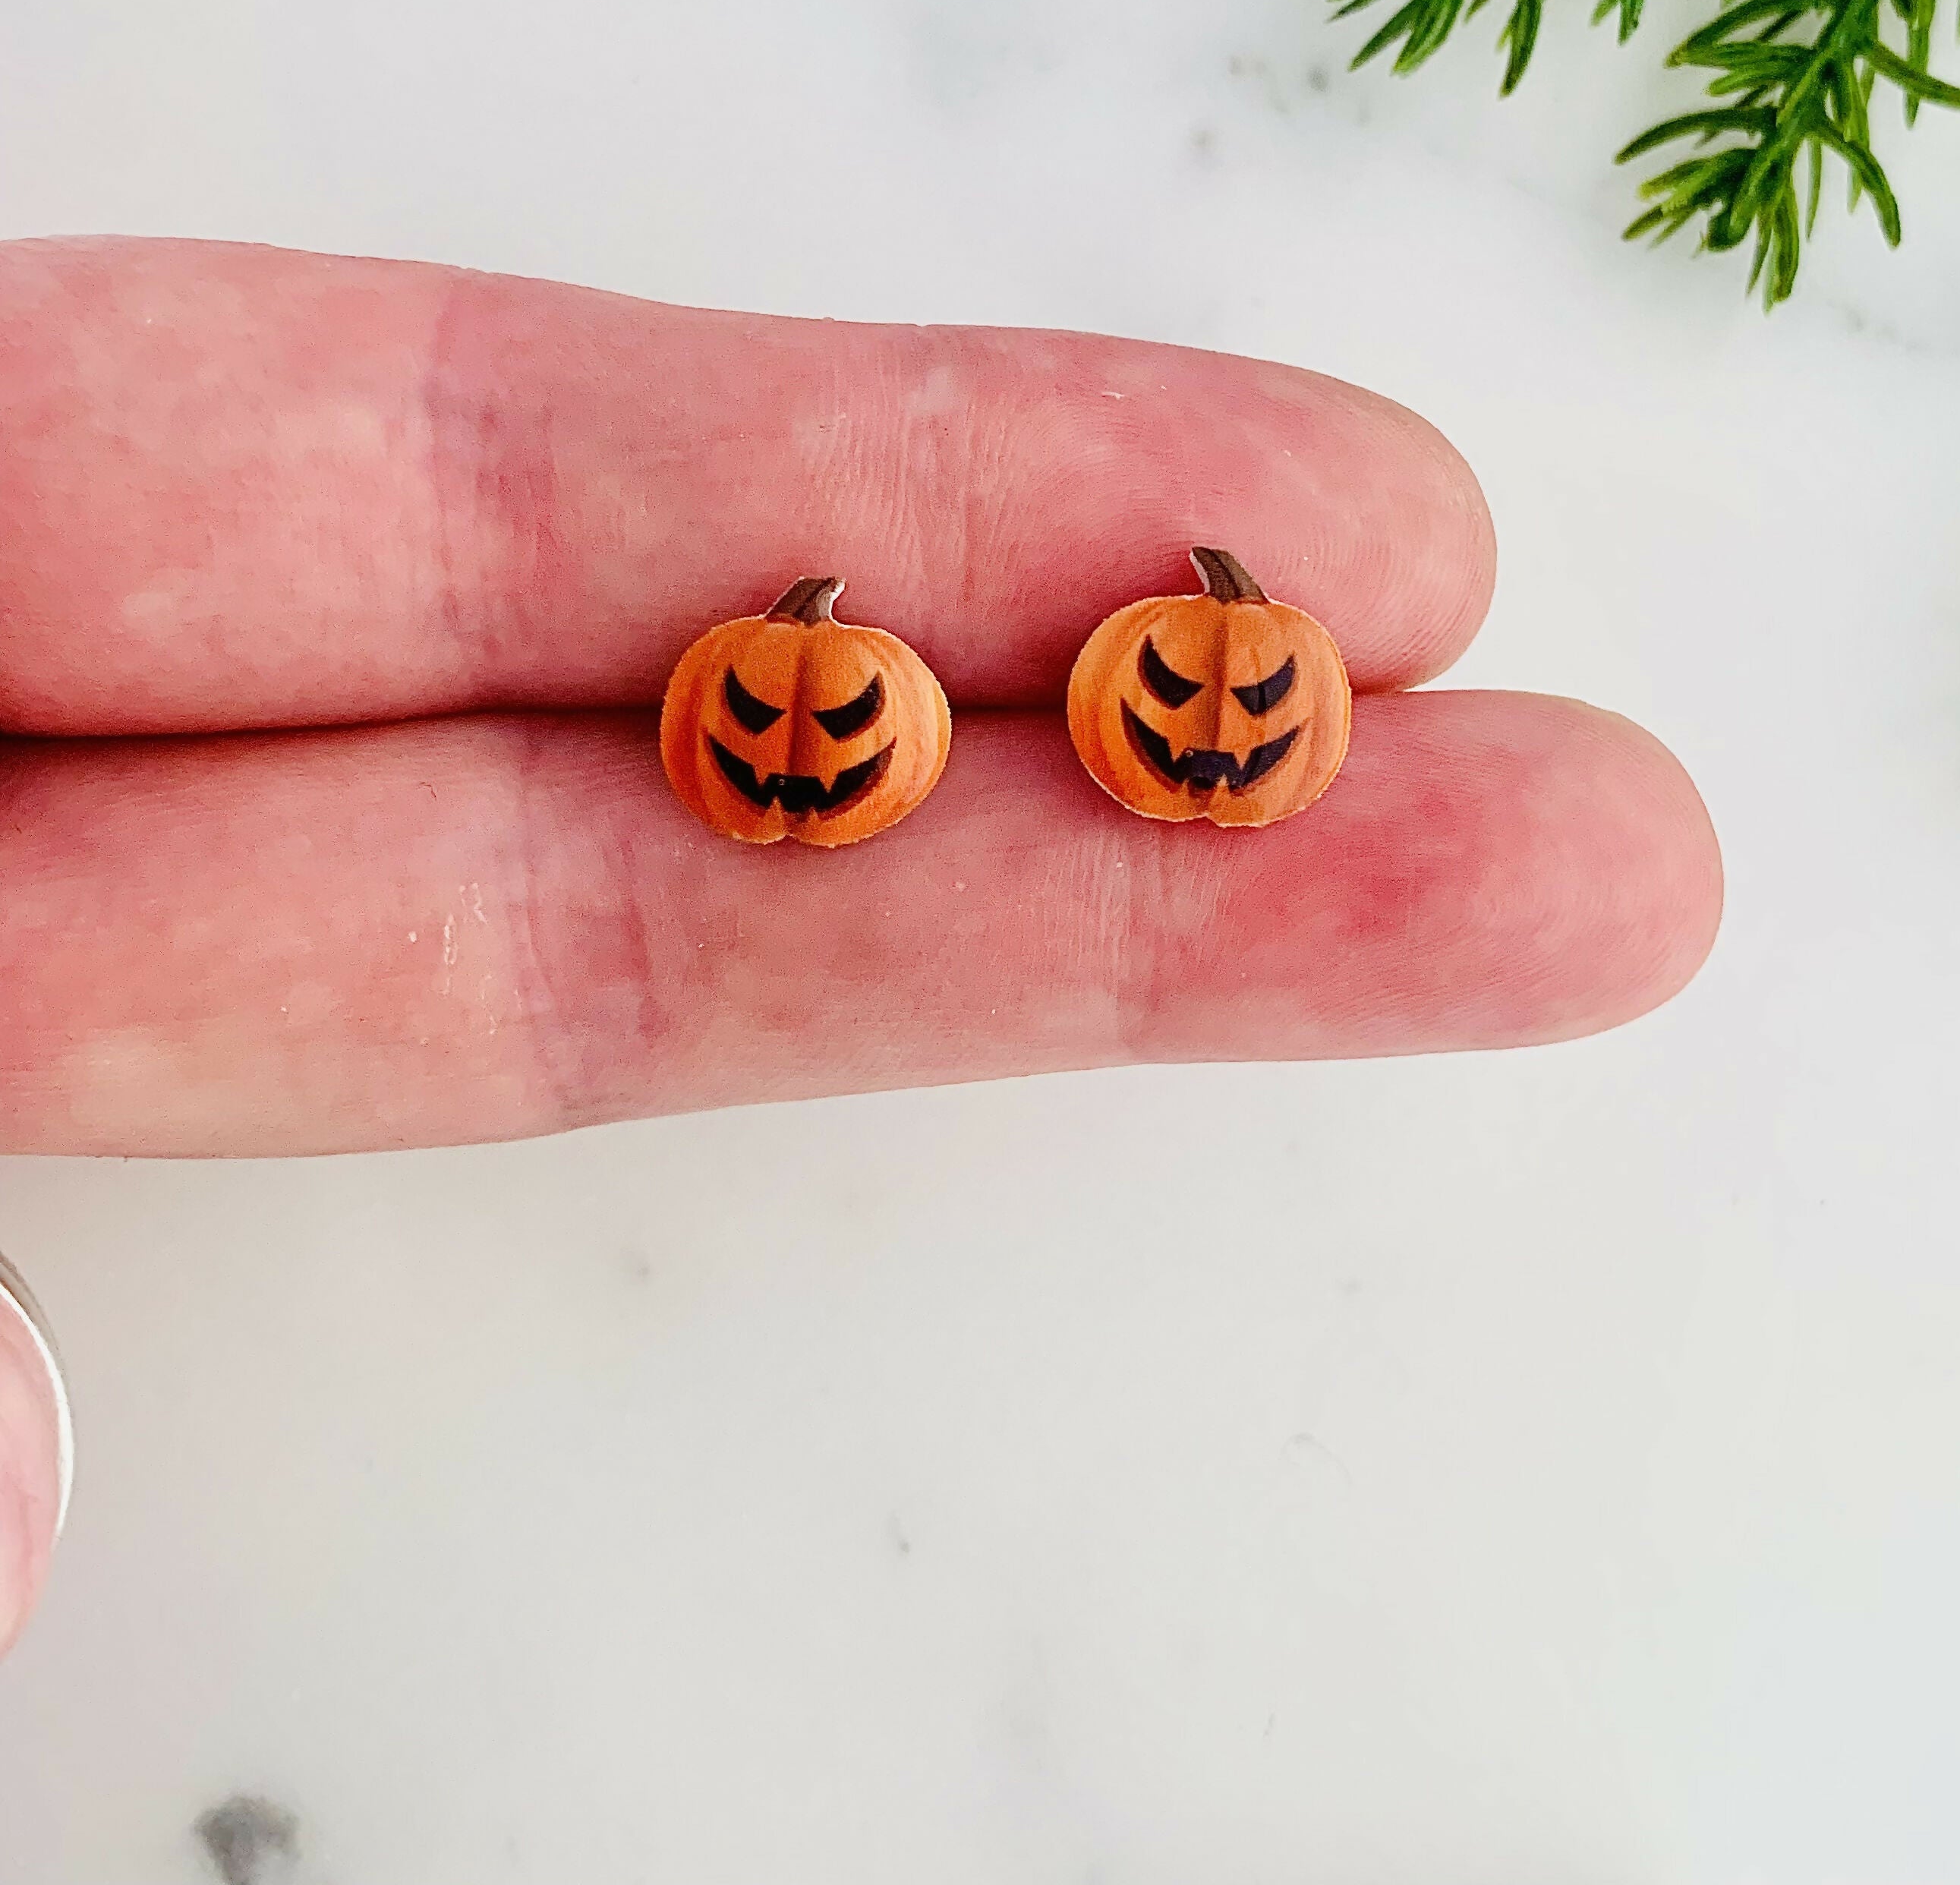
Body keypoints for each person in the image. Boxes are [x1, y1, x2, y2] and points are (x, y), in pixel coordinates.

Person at [0, 235, 1724, 1657]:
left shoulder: (1206, 677)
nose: (1219, 711)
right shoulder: (779, 715)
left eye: (1251, 694)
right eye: (1214, 681)